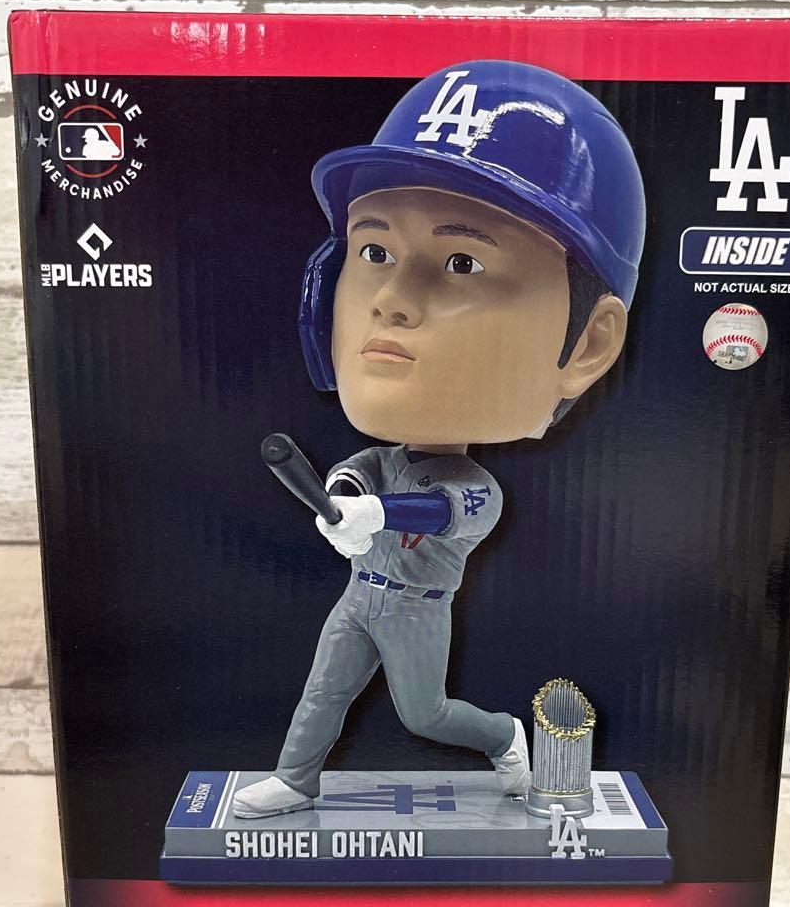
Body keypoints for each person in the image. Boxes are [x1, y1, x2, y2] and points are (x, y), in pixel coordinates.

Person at [234, 60, 645, 819]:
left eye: (462, 263)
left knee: (424, 715)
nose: (391, 300)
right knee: (323, 689)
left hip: (416, 607)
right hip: (362, 593)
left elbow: (436, 511)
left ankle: (502, 736)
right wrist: (342, 504)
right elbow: (357, 475)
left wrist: (375, 516)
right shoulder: (386, 458)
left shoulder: (478, 490)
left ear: (586, 344)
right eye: (375, 253)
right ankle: (295, 779)